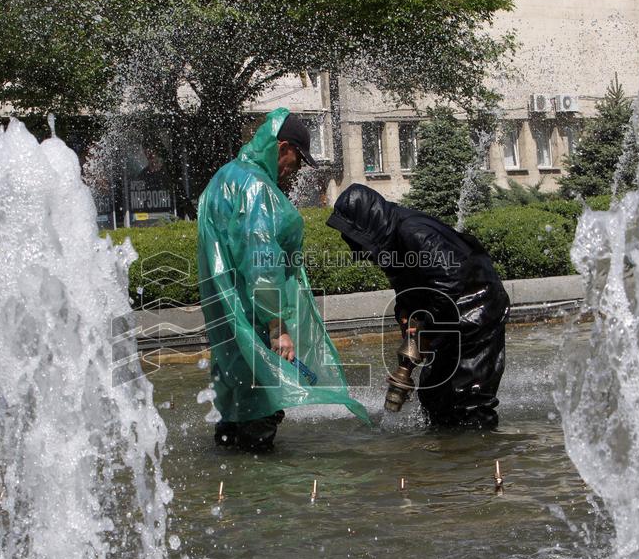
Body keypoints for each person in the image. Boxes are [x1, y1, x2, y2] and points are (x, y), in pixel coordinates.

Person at [196, 108, 369, 450]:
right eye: (297, 160)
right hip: (254, 320)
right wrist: (277, 326)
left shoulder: (224, 178)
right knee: (261, 413)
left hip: (229, 322)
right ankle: (266, 498)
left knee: (233, 415)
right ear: (283, 147)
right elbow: (261, 260)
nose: (296, 170)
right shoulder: (256, 188)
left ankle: (233, 492)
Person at [327, 184, 510, 427]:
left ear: (367, 226)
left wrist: (424, 329)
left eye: (357, 241)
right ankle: (446, 457)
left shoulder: (413, 231)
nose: (361, 251)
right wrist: (405, 313)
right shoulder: (388, 241)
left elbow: (449, 281)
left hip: (476, 312)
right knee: (434, 396)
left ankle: (480, 457)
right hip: (448, 317)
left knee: (469, 400)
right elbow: (407, 285)